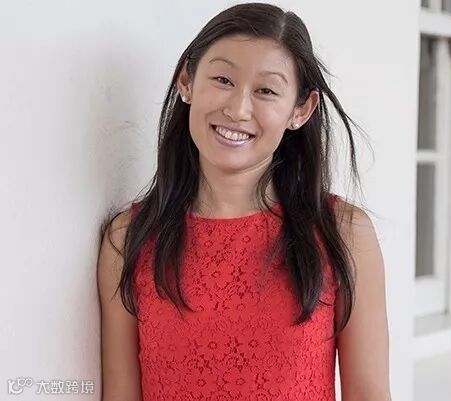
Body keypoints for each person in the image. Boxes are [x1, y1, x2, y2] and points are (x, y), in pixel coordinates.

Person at [96, 3, 391, 400]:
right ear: (186, 80)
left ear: (301, 110)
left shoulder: (343, 233)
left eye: (266, 90)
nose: (237, 109)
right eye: (223, 79)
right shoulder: (128, 239)